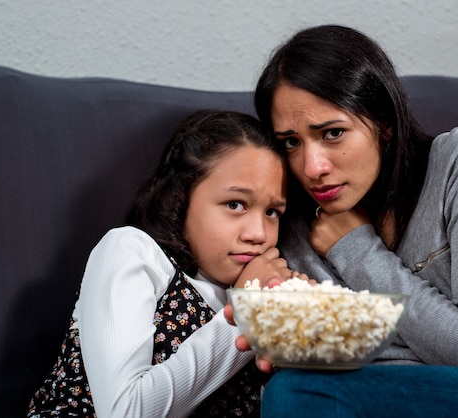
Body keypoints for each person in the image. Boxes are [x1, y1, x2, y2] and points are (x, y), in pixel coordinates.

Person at [226, 24, 458, 416]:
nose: (312, 167)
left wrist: (357, 249)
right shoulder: (293, 230)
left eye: (332, 133)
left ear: (385, 124)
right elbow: (355, 376)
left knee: (299, 392)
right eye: (291, 142)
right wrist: (260, 301)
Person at [27, 109, 301, 417]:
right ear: (177, 198)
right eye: (235, 204)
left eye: (272, 212)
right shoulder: (131, 251)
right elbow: (126, 412)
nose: (259, 234)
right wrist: (247, 311)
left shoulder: (267, 289)